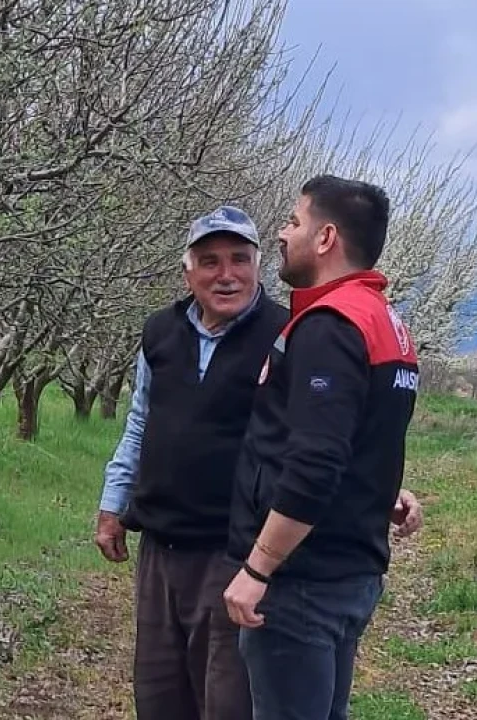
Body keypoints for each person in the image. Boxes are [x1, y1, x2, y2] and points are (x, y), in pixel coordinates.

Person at [223, 175, 424, 720]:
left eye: (294, 221)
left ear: (326, 237)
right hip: (351, 572)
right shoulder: (385, 323)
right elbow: (366, 438)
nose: (283, 233)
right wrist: (380, 491)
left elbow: (316, 461)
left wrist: (258, 569)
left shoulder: (330, 326)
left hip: (304, 580)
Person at [95, 205, 288, 719]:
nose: (226, 274)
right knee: (159, 695)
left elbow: (318, 437)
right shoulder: (161, 332)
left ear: (258, 266)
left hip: (236, 551)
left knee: (226, 701)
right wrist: (113, 505)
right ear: (188, 272)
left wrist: (382, 490)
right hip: (161, 547)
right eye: (209, 261)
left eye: (239, 259)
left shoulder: (285, 335)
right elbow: (140, 422)